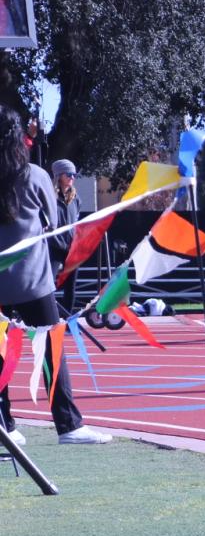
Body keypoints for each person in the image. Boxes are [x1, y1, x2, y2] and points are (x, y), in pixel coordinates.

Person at [0, 109, 110, 444]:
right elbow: (52, 224)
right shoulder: (35, 175)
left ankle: (5, 423)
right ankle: (68, 425)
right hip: (33, 280)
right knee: (51, 350)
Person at [50, 159, 82, 315]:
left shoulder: (76, 199)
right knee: (47, 285)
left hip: (71, 248)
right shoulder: (49, 197)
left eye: (74, 174)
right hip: (53, 248)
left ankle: (68, 319)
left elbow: (76, 223)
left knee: (71, 285)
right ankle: (48, 318)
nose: (72, 177)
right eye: (68, 174)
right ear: (58, 175)